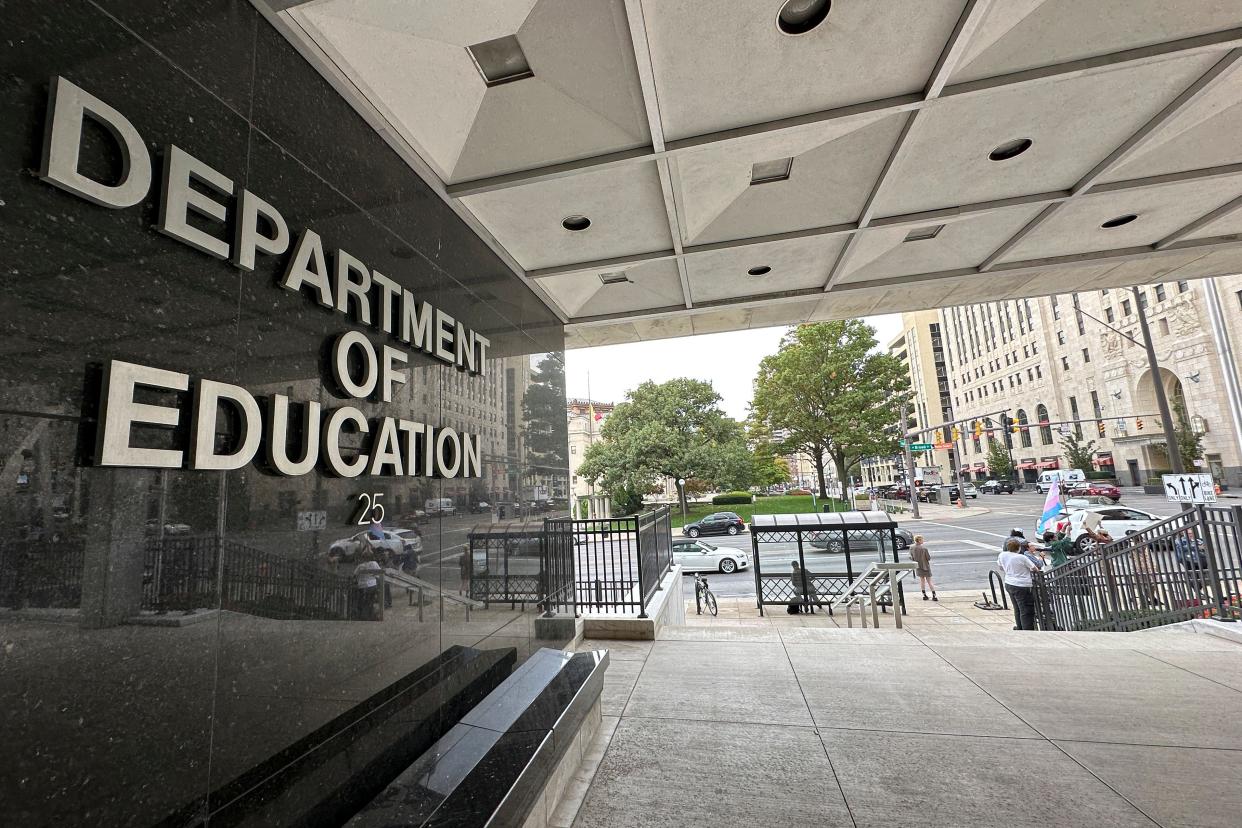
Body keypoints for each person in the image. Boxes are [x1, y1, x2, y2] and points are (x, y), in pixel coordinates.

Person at [998, 538, 1039, 630]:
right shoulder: (1021, 557)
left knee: (1017, 608)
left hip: (1009, 583)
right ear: (1019, 548)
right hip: (1022, 585)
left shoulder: (1002, 555)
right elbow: (1034, 568)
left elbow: (1001, 567)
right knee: (1026, 609)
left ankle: (1020, 627)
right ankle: (1027, 629)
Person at [353, 555, 382, 620]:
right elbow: (380, 572)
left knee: (362, 600)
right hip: (372, 585)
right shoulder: (374, 563)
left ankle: (362, 615)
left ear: (363, 558)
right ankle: (370, 614)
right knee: (370, 600)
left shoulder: (360, 566)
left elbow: (354, 574)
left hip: (362, 586)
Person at [909, 534, 936, 601]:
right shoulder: (924, 549)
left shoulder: (912, 547)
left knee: (922, 580)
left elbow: (911, 557)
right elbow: (928, 558)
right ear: (919, 540)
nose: (923, 540)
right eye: (922, 539)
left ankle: (924, 595)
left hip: (918, 566)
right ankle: (934, 595)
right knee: (929, 581)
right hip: (925, 566)